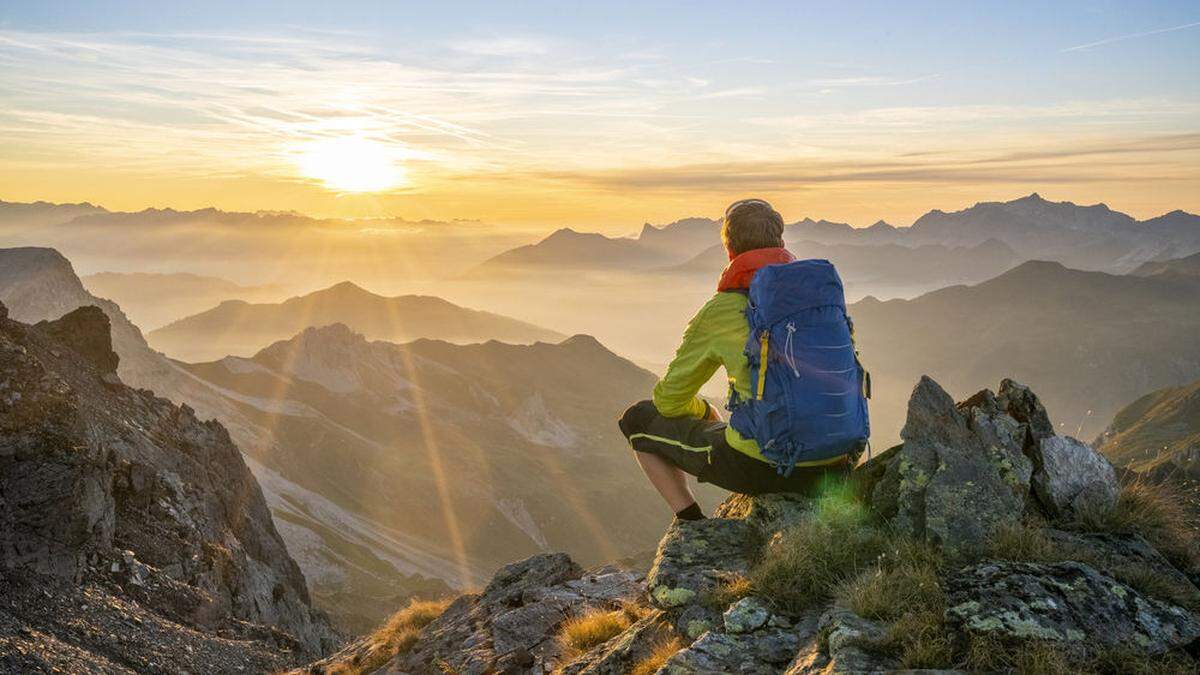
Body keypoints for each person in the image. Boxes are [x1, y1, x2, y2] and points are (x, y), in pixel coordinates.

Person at [619, 198, 859, 521]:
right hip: (839, 457)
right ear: (782, 243)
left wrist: (706, 411)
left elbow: (669, 401)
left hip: (768, 467)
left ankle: (691, 524)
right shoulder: (818, 299)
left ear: (730, 252)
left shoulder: (722, 310)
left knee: (637, 419)